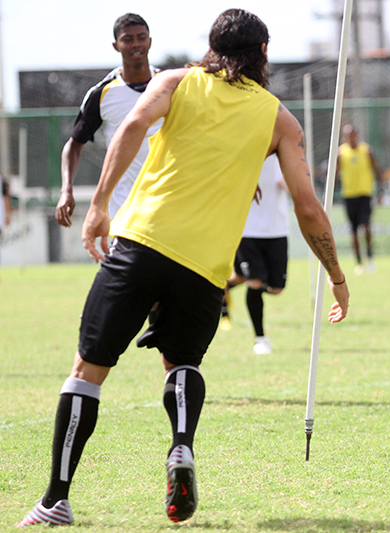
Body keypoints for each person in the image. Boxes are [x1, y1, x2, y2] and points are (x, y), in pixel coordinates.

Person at [18, 9, 349, 527]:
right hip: (205, 267)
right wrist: (336, 274)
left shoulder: (175, 82)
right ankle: (181, 447)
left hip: (142, 244)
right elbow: (308, 207)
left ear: (212, 46)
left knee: (88, 371)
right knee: (182, 365)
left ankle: (55, 500)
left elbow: (131, 127)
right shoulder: (281, 119)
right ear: (263, 53)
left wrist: (99, 205)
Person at [55, 13, 162, 227]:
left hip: (167, 200)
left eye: (141, 37)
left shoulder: (169, 86)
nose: (136, 44)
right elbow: (74, 145)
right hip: (123, 206)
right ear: (116, 45)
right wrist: (66, 189)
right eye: (127, 39)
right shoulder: (102, 94)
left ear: (150, 41)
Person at [220, 154, 291, 355]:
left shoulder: (283, 150)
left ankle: (227, 285)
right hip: (248, 230)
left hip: (277, 229)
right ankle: (260, 338)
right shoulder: (245, 148)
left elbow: (287, 180)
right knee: (255, 282)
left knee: (276, 288)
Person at [336, 124, 382, 274]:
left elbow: (376, 170)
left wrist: (381, 190)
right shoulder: (340, 153)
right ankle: (358, 262)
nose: (351, 137)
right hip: (349, 195)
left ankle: (369, 256)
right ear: (344, 137)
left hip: (364, 194)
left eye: (353, 134)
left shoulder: (366, 151)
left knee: (366, 226)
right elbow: (334, 175)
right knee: (354, 230)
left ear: (357, 134)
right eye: (348, 135)